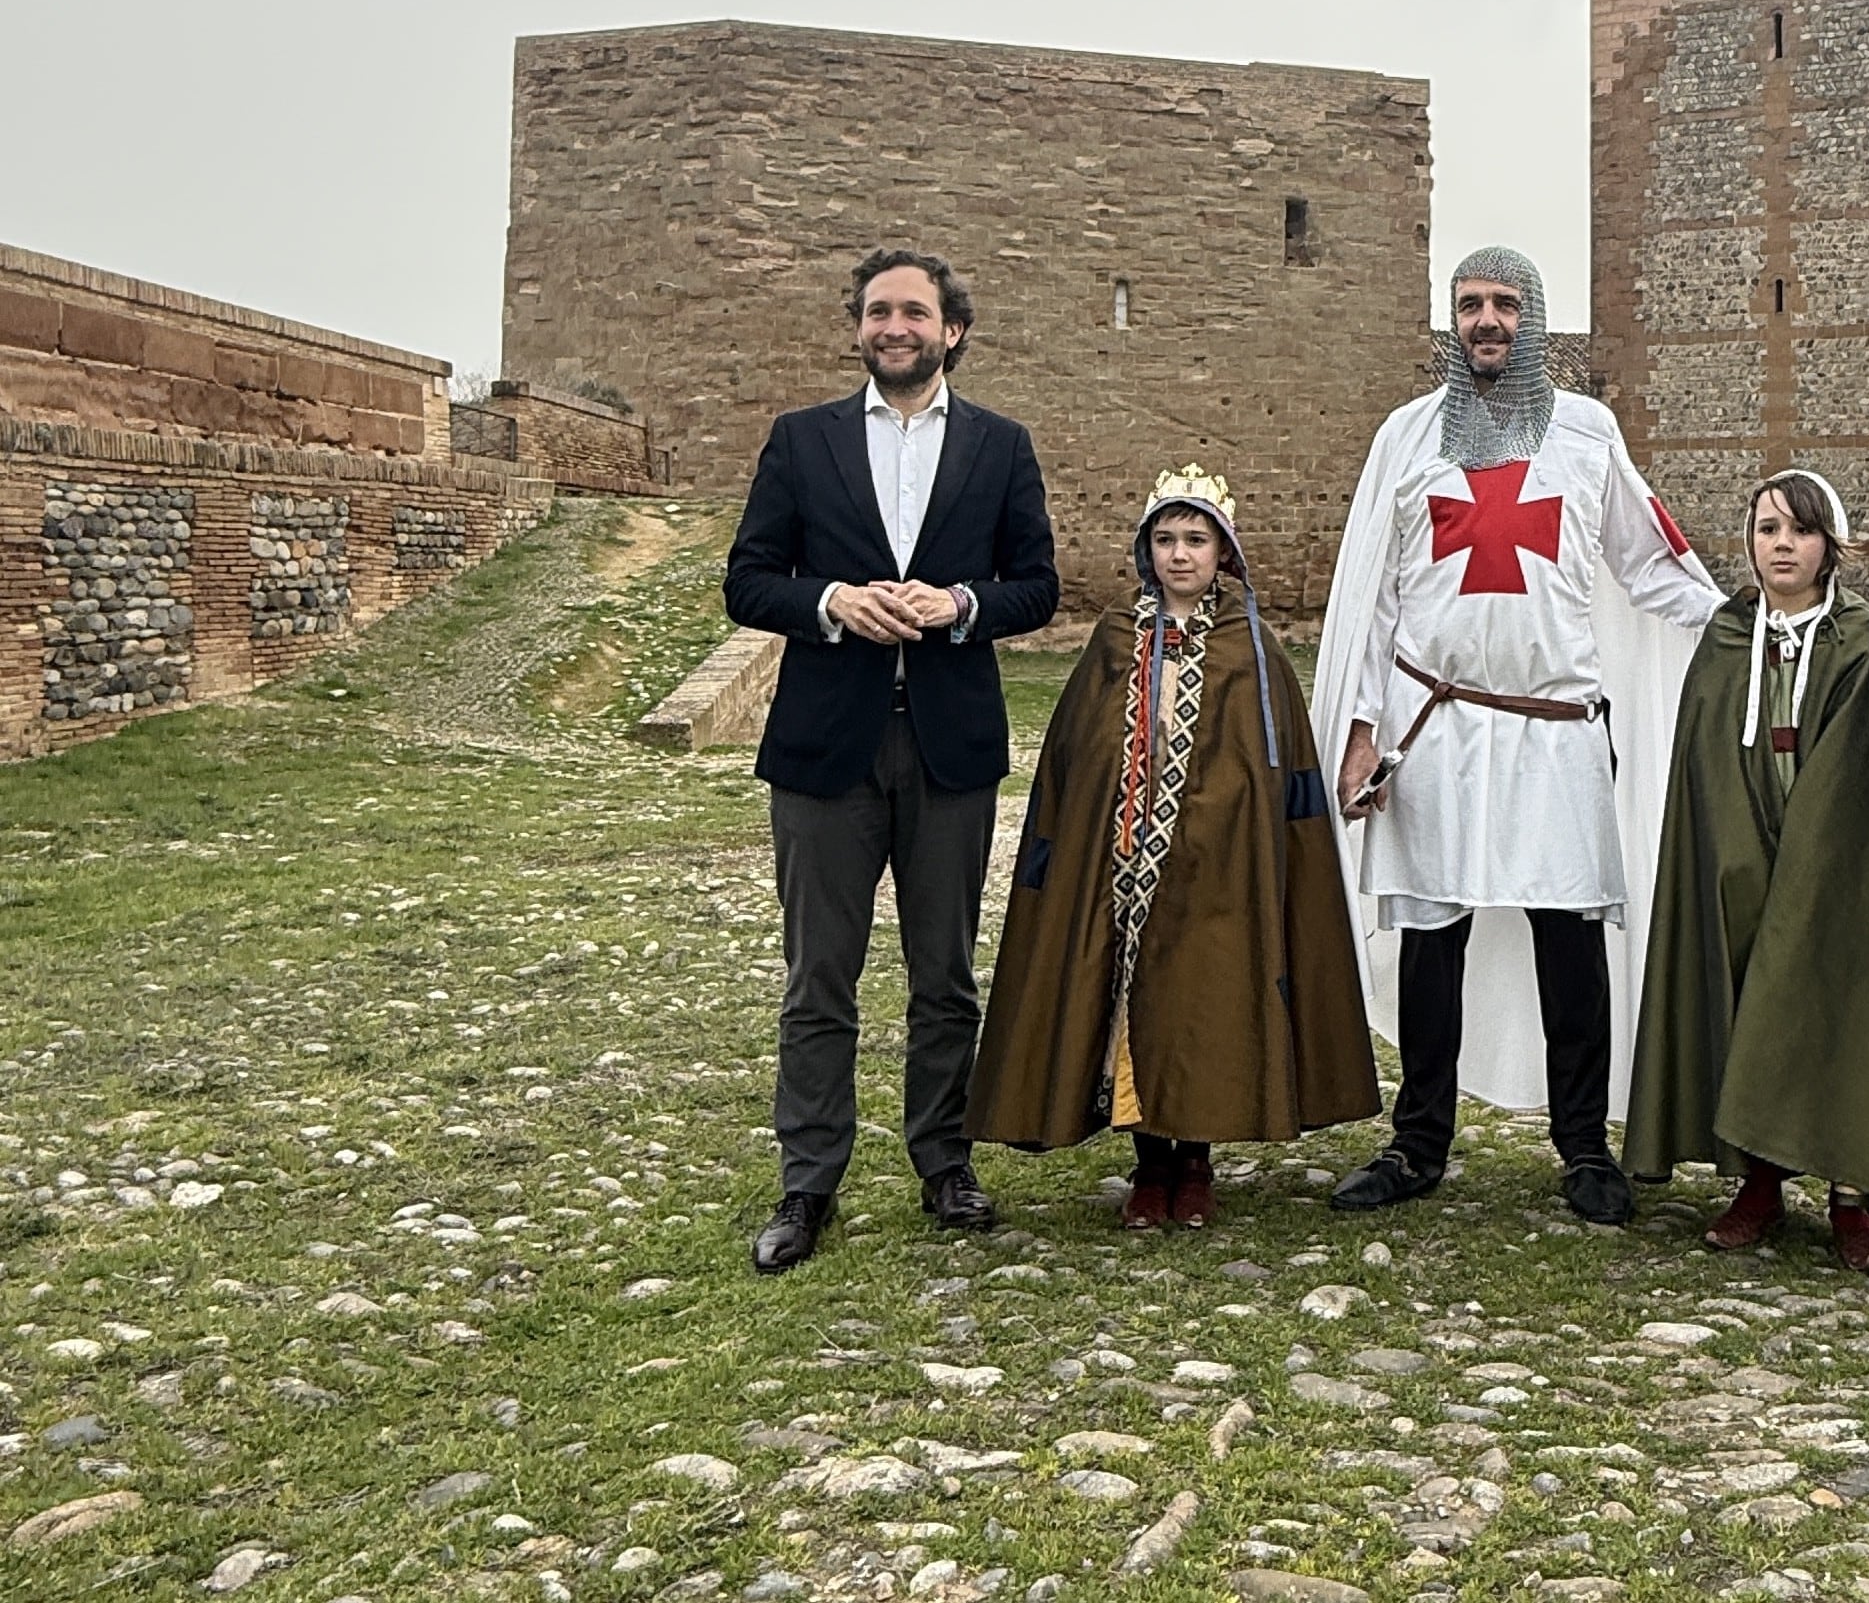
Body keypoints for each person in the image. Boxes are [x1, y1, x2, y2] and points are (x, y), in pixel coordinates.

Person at [1310, 246, 1720, 1224]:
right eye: (1468, 304)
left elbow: (1648, 561)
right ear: (1449, 320)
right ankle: (1418, 1142)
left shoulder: (1584, 434)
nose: (1485, 320)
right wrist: (1361, 729)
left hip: (1553, 729)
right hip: (1435, 726)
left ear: (1530, 318)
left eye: (1502, 304)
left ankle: (1583, 1147)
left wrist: (1744, 618)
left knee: (1567, 937)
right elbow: (1374, 599)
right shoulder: (1408, 438)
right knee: (1428, 938)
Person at [722, 248, 1060, 1274]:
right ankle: (807, 1182)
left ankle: (943, 1160)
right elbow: (747, 582)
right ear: (859, 328)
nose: (894, 326)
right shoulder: (801, 440)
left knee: (944, 976)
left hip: (948, 742)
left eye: (913, 311)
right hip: (826, 746)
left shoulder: (1001, 447)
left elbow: (1036, 587)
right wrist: (830, 603)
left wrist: (958, 606)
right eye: (877, 312)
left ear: (950, 329)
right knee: (817, 977)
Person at [963, 467, 1378, 1227]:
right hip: (1122, 863)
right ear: (1144, 549)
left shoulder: (1249, 647)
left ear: (1224, 550)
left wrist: (1236, 832)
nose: (1180, 554)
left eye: (1196, 539)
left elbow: (1279, 764)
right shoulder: (1118, 635)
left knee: (1207, 1001)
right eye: (1165, 539)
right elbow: (1074, 753)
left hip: (1221, 867)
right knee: (1133, 998)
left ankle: (1196, 1162)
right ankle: (1149, 1164)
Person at [1626, 470, 1869, 1270]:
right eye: (1768, 528)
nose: (1782, 544)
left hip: (1836, 859)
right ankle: (1758, 1180)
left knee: (1842, 1005)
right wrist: (1736, 850)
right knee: (1746, 998)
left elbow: (1858, 762)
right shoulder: (1726, 634)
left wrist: (1806, 863)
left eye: (1800, 531)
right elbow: (1703, 757)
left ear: (1827, 546)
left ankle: (1852, 1198)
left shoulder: (1855, 634)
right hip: (1741, 849)